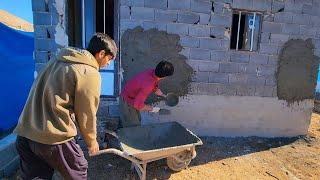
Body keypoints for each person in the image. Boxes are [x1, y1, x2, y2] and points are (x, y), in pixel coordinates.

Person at [14, 33, 117, 180]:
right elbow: (86, 112)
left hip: (26, 134)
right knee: (78, 170)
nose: (108, 63)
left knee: (37, 176)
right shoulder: (89, 72)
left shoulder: (57, 61)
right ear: (101, 53)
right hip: (52, 136)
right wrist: (92, 141)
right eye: (109, 59)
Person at [120, 61, 174, 127]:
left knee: (138, 119)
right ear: (164, 77)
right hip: (127, 101)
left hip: (131, 96)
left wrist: (156, 89)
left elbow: (152, 81)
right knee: (133, 127)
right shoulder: (148, 86)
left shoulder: (151, 71)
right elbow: (138, 106)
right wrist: (155, 110)